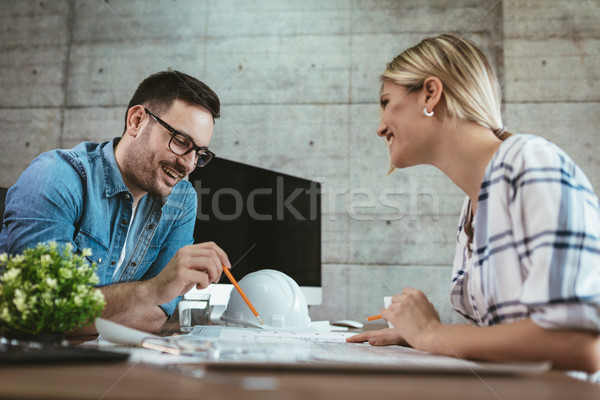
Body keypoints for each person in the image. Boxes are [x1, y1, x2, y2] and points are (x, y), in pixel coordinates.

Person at [346, 33, 600, 373]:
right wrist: (420, 335)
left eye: (386, 102)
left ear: (431, 93)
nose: (379, 128)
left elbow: (580, 344)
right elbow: (508, 337)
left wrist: (433, 335)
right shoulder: (473, 205)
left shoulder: (532, 162)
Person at [0, 70, 231, 334]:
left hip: (104, 364)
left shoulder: (182, 199)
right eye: (180, 141)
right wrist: (153, 290)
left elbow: (157, 316)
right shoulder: (55, 177)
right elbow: (43, 313)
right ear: (136, 121)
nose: (189, 165)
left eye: (199, 153)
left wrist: (88, 317)